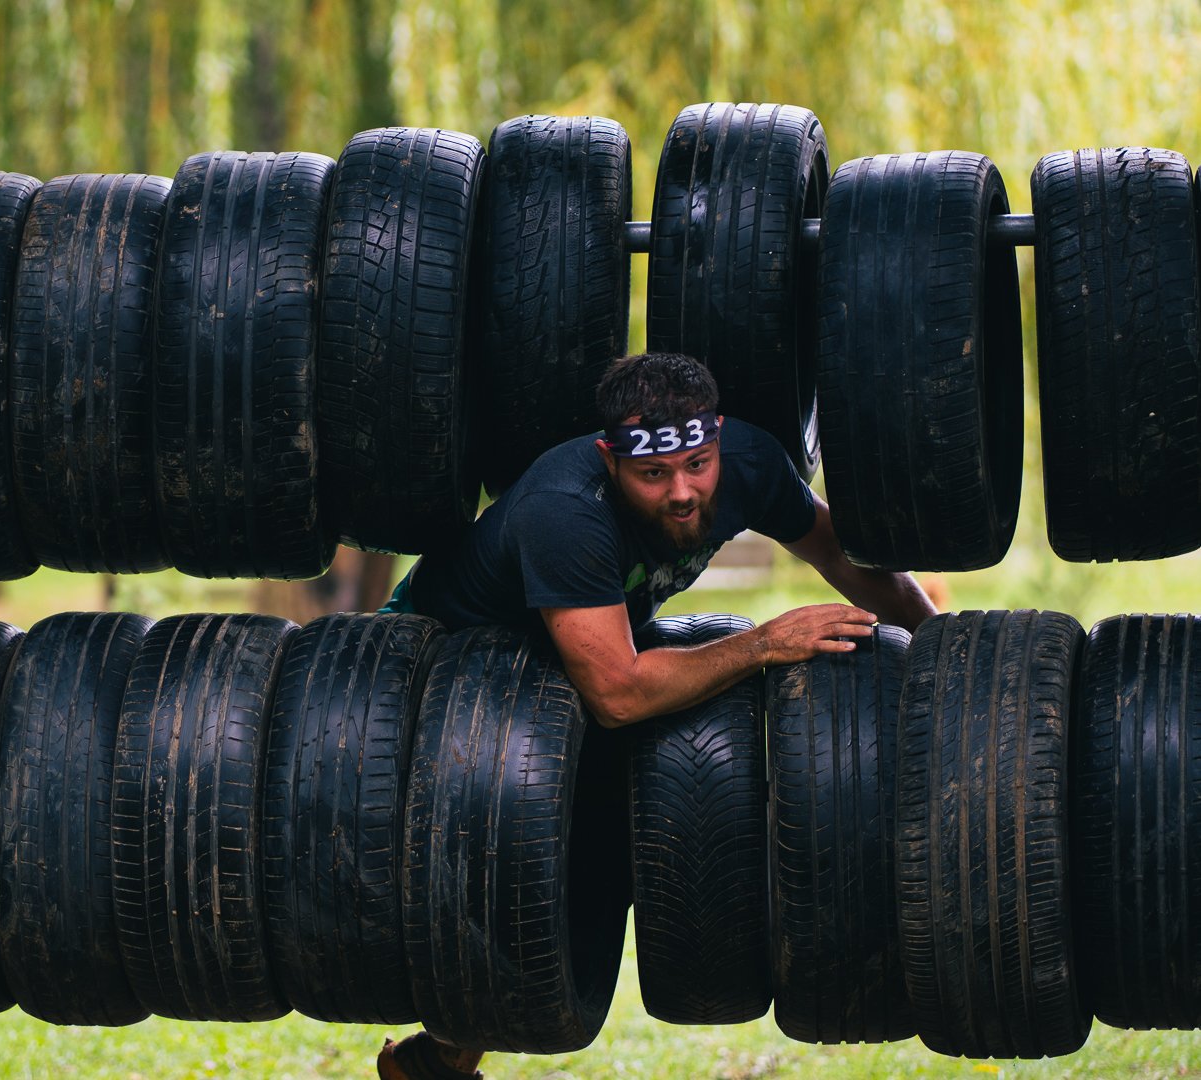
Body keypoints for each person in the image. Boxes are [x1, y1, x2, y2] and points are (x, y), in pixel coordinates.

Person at [375, 351, 936, 1080]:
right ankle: (448, 1048)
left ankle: (441, 1058)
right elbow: (619, 692)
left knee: (599, 832)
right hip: (444, 662)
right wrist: (763, 641)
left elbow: (845, 556)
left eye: (696, 466)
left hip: (559, 664)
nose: (681, 493)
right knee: (517, 851)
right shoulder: (565, 512)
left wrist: (941, 649)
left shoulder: (748, 464)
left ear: (717, 441)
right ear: (612, 460)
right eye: (653, 476)